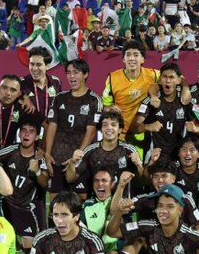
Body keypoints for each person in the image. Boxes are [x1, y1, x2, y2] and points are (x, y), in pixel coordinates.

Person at [44, 58, 101, 196]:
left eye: (76, 72)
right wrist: (47, 152)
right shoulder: (59, 98)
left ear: (85, 74)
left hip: (80, 156)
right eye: (68, 73)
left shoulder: (94, 100)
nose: (71, 76)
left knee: (80, 197)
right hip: (58, 155)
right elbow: (52, 126)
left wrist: (78, 156)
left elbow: (91, 131)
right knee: (55, 197)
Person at [0, 123, 49, 254]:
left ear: (37, 136)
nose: (27, 134)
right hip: (6, 204)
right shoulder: (10, 150)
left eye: (31, 131)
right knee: (1, 240)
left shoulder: (40, 157)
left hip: (26, 207)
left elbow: (44, 183)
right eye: (24, 131)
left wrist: (37, 171)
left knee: (34, 251)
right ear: (19, 134)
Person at [101, 40, 159, 153]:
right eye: (128, 55)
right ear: (123, 59)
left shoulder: (153, 75)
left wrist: (185, 89)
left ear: (142, 59)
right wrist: (111, 109)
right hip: (120, 133)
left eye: (136, 55)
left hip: (141, 132)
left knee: (140, 168)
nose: (131, 58)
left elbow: (174, 77)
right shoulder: (113, 79)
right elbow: (105, 107)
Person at [66, 111, 141, 197]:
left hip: (121, 203)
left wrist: (139, 165)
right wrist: (72, 162)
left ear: (120, 129)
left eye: (113, 125)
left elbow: (141, 181)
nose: (109, 128)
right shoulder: (91, 150)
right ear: (101, 129)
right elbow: (70, 179)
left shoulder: (129, 150)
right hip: (97, 204)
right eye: (105, 125)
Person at [132, 62, 192, 163]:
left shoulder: (184, 99)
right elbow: (134, 127)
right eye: (164, 77)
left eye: (171, 77)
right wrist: (147, 126)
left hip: (177, 155)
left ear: (178, 80)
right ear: (160, 79)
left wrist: (195, 127)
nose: (167, 81)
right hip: (154, 154)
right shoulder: (150, 101)